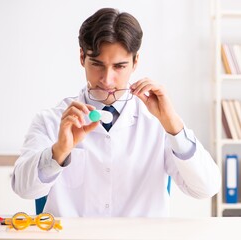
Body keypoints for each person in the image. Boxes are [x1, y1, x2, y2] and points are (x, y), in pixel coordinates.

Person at [12, 8, 221, 217]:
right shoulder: (50, 120)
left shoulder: (158, 123)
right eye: (97, 64)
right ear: (82, 57)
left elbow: (206, 188)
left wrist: (174, 125)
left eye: (119, 66)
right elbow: (23, 189)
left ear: (135, 62)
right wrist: (58, 152)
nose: (107, 79)